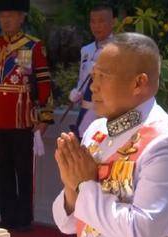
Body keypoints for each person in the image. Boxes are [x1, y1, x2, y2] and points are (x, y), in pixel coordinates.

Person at [52, 33, 168, 237]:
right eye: (93, 76)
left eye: (103, 77)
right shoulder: (96, 130)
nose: (94, 87)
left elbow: (142, 235)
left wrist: (83, 185)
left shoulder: (166, 143)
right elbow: (66, 224)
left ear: (139, 83)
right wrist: (72, 188)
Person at [0, 0, 53, 231]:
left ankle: (24, 220)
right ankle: (7, 219)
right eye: (2, 16)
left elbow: (44, 81)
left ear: (21, 18)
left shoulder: (34, 47)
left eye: (11, 16)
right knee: (2, 171)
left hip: (22, 118)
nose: (6, 20)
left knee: (23, 172)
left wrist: (44, 116)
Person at [68, 3, 115, 138]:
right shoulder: (86, 50)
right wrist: (77, 92)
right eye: (93, 22)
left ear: (112, 22)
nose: (96, 26)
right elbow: (82, 79)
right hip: (85, 111)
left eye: (101, 21)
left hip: (107, 114)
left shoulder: (119, 49)